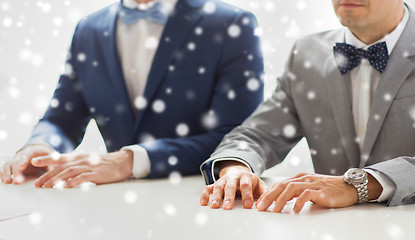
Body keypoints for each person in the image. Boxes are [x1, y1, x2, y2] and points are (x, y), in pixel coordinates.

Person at [0, 0, 264, 188]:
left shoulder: (231, 24)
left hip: (196, 199)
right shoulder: (88, 29)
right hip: (113, 205)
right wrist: (40, 147)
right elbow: (61, 119)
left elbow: (236, 137)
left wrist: (130, 161)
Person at [200, 0, 415, 213]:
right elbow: (257, 135)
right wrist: (237, 167)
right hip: (329, 228)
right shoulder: (307, 54)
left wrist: (359, 185)